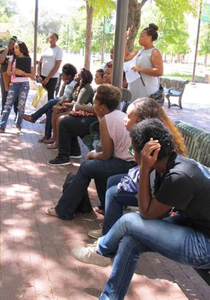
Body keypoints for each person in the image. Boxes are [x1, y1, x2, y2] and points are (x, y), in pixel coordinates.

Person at [72, 118, 210, 300]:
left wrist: (144, 168)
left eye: (132, 149)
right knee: (131, 241)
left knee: (129, 221)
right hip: (194, 224)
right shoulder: (169, 164)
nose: (132, 153)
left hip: (204, 244)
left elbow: (146, 213)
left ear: (145, 152)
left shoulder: (179, 176)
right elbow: (156, 213)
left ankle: (101, 251)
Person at [88, 97, 187, 239]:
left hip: (158, 192)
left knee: (112, 193)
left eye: (128, 117)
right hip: (149, 180)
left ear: (142, 120)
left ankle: (109, 236)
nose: (124, 119)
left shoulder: (152, 142)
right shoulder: (146, 135)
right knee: (112, 180)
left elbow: (151, 176)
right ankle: (111, 222)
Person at [46, 84, 136, 220]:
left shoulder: (106, 119)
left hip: (127, 164)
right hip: (129, 162)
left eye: (95, 102)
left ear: (101, 107)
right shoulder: (118, 115)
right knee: (96, 166)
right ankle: (105, 206)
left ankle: (63, 210)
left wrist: (92, 154)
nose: (93, 105)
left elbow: (106, 154)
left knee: (86, 167)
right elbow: (108, 153)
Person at [21, 63, 77, 142]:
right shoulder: (69, 83)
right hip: (63, 101)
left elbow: (67, 98)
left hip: (66, 104)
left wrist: (59, 100)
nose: (62, 78)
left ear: (69, 76)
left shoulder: (72, 84)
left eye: (64, 75)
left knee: (51, 101)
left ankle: (33, 117)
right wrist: (63, 85)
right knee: (50, 110)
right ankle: (47, 136)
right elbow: (62, 96)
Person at [0, 41, 35, 134]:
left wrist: (23, 73)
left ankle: (18, 126)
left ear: (22, 49)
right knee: (7, 105)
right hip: (13, 84)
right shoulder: (12, 58)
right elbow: (8, 72)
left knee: (21, 106)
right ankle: (1, 127)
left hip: (24, 85)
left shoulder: (28, 59)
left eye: (16, 48)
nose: (14, 50)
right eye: (14, 48)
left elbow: (32, 75)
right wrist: (15, 72)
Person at [48, 68, 94, 148]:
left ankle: (59, 142)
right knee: (54, 111)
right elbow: (70, 98)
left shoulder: (85, 88)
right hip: (75, 108)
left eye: (78, 75)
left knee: (59, 117)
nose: (75, 75)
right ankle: (55, 138)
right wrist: (62, 103)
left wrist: (66, 105)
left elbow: (78, 105)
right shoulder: (77, 85)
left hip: (82, 112)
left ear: (82, 77)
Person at [125, 23, 163, 101]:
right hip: (134, 90)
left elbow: (159, 72)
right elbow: (126, 57)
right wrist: (125, 39)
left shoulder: (154, 52)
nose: (139, 39)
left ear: (149, 38)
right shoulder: (140, 51)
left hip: (147, 92)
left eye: (142, 36)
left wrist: (141, 69)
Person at [36, 32, 63, 101]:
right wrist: (39, 75)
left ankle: (49, 112)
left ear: (56, 39)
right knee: (40, 97)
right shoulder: (45, 49)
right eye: (50, 37)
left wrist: (48, 78)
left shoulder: (58, 50)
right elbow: (40, 62)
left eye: (54, 38)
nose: (52, 39)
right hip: (42, 76)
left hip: (52, 77)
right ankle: (39, 111)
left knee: (50, 97)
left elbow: (57, 66)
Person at [0, 36, 18, 115]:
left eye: (13, 44)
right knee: (4, 95)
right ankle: (4, 112)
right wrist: (6, 50)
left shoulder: (17, 53)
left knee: (16, 95)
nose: (11, 45)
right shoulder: (3, 51)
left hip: (14, 77)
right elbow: (0, 59)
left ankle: (16, 113)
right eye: (10, 43)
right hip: (4, 77)